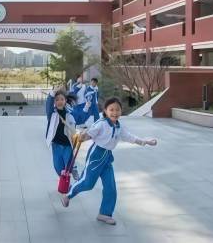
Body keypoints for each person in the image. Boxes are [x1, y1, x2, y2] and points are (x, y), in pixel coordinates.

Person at [61, 97, 158, 225]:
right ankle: (68, 195)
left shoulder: (119, 126)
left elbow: (129, 137)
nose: (115, 112)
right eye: (111, 110)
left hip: (107, 158)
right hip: (96, 156)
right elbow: (90, 134)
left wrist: (145, 141)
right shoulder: (101, 123)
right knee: (88, 183)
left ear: (121, 111)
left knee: (110, 187)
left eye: (117, 110)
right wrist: (83, 136)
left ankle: (104, 214)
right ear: (105, 111)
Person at [45, 87, 79, 180]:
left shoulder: (71, 113)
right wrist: (52, 94)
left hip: (67, 144)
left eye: (62, 99)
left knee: (68, 165)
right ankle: (64, 181)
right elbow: (48, 105)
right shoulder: (52, 114)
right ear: (54, 102)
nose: (59, 101)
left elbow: (79, 118)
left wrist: (86, 108)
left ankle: (73, 169)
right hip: (56, 145)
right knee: (58, 167)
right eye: (57, 100)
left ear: (65, 100)